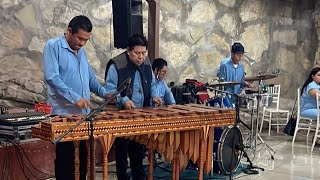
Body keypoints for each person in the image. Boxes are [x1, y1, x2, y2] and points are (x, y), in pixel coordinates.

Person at [43, 15, 109, 180]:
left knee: (82, 163)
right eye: (80, 38)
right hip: (64, 116)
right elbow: (52, 77)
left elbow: (90, 79)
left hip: (83, 117)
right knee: (66, 163)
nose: (82, 43)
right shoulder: (53, 46)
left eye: (86, 40)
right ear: (69, 31)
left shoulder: (82, 53)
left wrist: (104, 93)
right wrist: (74, 97)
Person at [104, 34, 162, 180]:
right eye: (137, 53)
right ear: (129, 51)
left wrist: (154, 95)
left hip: (141, 116)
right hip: (122, 117)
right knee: (122, 154)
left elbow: (153, 84)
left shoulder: (147, 63)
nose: (141, 57)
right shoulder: (116, 64)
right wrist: (123, 100)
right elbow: (110, 90)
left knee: (138, 153)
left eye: (143, 53)